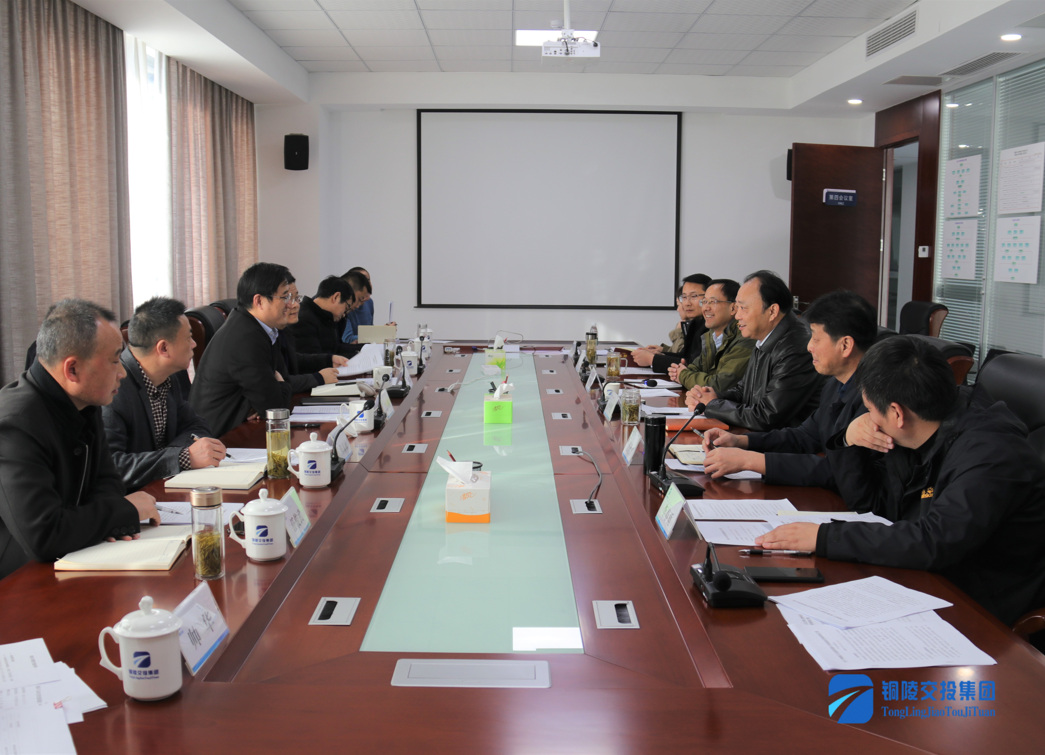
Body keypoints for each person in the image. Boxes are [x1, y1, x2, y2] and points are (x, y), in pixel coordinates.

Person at [756, 336, 1045, 625]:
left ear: (896, 413)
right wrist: (848, 440)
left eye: (869, 410)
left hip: (980, 602)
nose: (867, 420)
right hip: (926, 576)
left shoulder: (991, 453)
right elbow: (873, 506)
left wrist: (824, 537)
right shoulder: (921, 428)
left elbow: (935, 540)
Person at [0, 299, 159, 580]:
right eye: (114, 361)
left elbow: (108, 480)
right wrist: (121, 513)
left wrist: (105, 522)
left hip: (73, 556)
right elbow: (43, 535)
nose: (122, 372)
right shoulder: (15, 423)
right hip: (18, 576)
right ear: (72, 369)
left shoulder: (84, 400)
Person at [701, 290, 876, 487]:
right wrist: (740, 441)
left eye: (816, 339)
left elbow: (840, 472)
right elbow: (804, 436)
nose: (809, 347)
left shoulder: (874, 400)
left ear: (845, 345)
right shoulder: (835, 385)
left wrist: (750, 461)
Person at [103, 297, 226, 491]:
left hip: (164, 486)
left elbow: (197, 425)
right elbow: (113, 467)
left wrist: (175, 455)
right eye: (188, 338)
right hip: (133, 498)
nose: (194, 344)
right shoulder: (114, 388)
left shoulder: (169, 376)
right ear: (164, 348)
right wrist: (182, 457)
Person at [687, 270, 821, 431]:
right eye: (737, 308)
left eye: (743, 308)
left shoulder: (796, 348)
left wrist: (713, 404)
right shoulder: (765, 336)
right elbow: (744, 391)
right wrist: (711, 396)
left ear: (772, 311)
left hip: (785, 442)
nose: (737, 316)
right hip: (761, 437)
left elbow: (767, 416)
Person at [190, 262, 297, 437]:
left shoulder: (260, 328)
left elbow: (279, 384)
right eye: (285, 297)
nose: (291, 304)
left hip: (239, 428)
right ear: (259, 301)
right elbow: (276, 407)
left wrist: (274, 390)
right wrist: (279, 387)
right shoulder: (245, 338)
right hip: (219, 438)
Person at [668, 278, 754, 395]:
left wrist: (682, 375)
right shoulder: (710, 336)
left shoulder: (745, 338)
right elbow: (694, 368)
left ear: (733, 308)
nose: (706, 308)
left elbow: (718, 386)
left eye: (713, 302)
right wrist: (682, 372)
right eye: (704, 302)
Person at [279, 277, 345, 395]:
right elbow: (276, 385)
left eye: (296, 298)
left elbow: (293, 359)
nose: (295, 305)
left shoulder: (282, 330)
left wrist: (328, 360)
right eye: (287, 298)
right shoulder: (304, 319)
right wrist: (319, 378)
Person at [631, 274, 710, 372]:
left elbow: (693, 365)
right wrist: (657, 355)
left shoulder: (712, 327)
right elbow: (684, 356)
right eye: (684, 297)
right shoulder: (695, 323)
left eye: (694, 296)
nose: (687, 303)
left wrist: (652, 359)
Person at [287, 275, 361, 359]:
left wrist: (362, 348)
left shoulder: (326, 317)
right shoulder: (304, 319)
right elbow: (314, 360)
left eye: (296, 298)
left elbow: (335, 349)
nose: (344, 314)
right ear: (336, 297)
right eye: (346, 308)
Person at [339, 270, 373, 345]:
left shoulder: (369, 303)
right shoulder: (346, 308)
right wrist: (379, 337)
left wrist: (385, 331)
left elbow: (369, 332)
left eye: (368, 280)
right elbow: (347, 339)